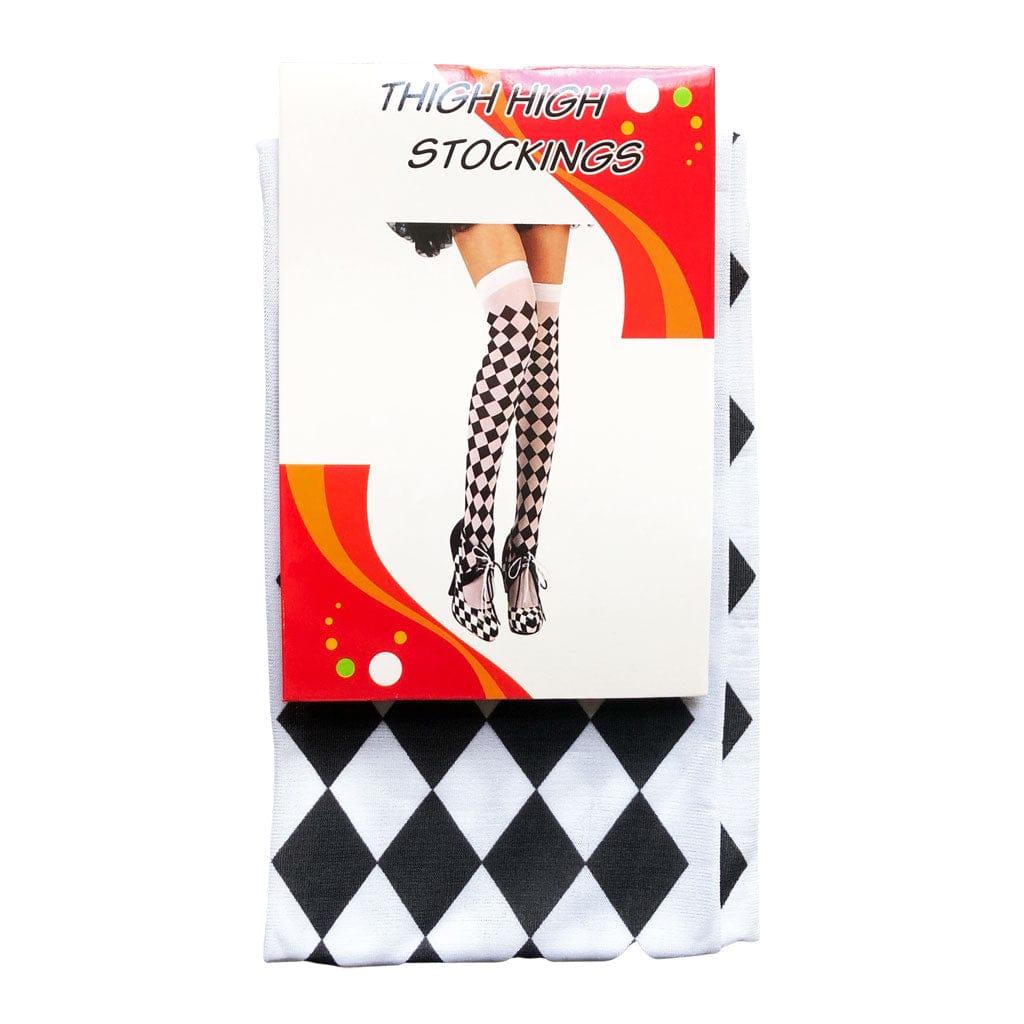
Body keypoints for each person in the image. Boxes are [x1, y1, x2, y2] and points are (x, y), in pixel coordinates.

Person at [388, 222, 569, 640]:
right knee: (516, 325)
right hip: (478, 178)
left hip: (546, 177)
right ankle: (474, 543)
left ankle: (523, 546)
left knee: (543, 335)